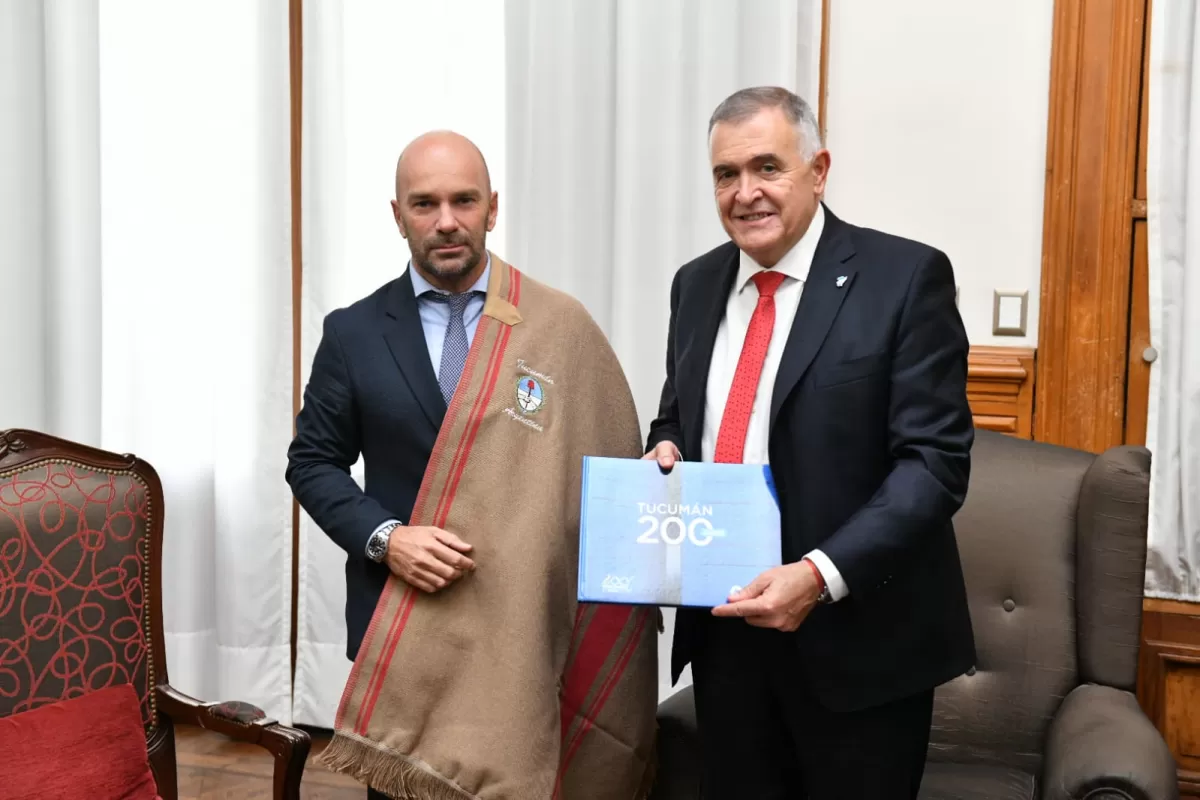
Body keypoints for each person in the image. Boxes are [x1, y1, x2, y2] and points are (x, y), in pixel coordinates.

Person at [286, 130, 657, 799]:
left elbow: (608, 461)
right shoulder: (355, 333)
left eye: (464, 200)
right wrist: (386, 538)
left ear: (493, 207)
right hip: (408, 618)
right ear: (397, 215)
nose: (447, 221)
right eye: (424, 204)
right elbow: (312, 462)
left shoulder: (557, 326)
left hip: (524, 627)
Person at [644, 86, 976, 798]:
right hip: (727, 632)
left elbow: (934, 466)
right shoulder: (695, 285)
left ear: (818, 170)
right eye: (726, 175)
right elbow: (679, 416)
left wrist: (819, 575)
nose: (745, 193)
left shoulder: (904, 278)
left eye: (768, 167)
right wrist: (663, 450)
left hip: (858, 640)